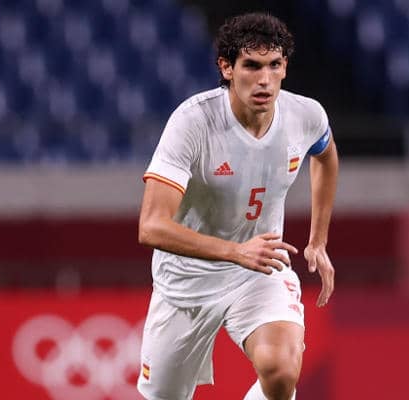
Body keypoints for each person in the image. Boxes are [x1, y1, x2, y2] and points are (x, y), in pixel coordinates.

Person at [136, 12, 338, 400]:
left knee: (281, 371)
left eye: (274, 65)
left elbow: (326, 156)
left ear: (285, 67)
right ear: (227, 68)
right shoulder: (193, 123)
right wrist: (235, 251)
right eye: (252, 66)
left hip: (258, 270)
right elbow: (151, 226)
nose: (264, 79)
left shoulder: (305, 115)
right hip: (185, 283)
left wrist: (318, 240)